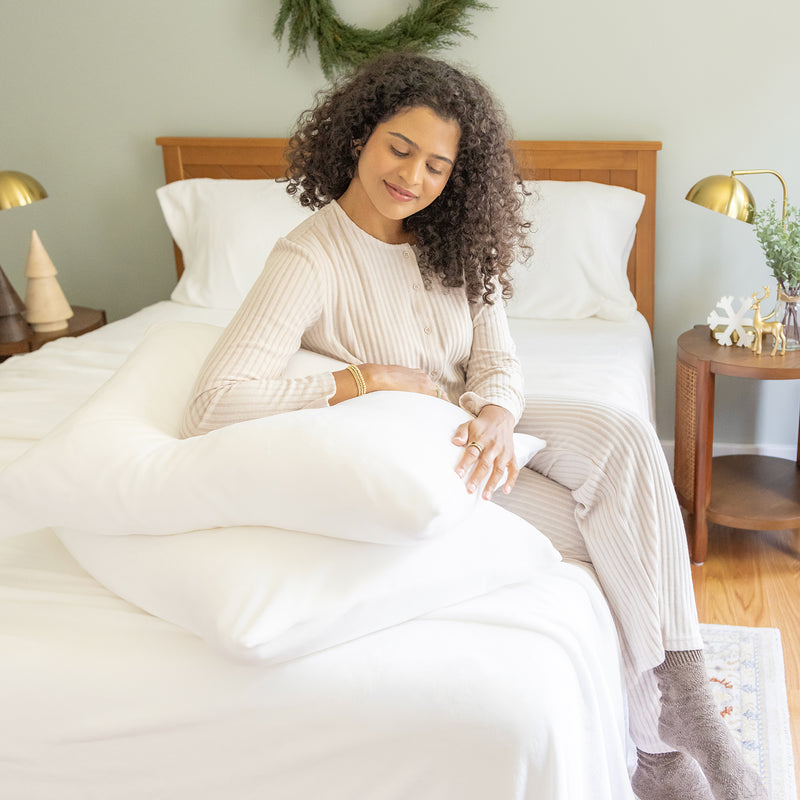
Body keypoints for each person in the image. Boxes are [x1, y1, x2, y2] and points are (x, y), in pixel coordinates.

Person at [180, 52, 766, 800]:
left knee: (623, 436)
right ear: (359, 135)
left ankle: (683, 715)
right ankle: (665, 745)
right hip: (418, 450)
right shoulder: (309, 258)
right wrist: (368, 378)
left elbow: (498, 361)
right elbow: (214, 402)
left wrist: (496, 412)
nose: (414, 178)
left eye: (437, 165)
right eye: (399, 148)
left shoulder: (449, 242)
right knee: (614, 534)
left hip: (473, 429)